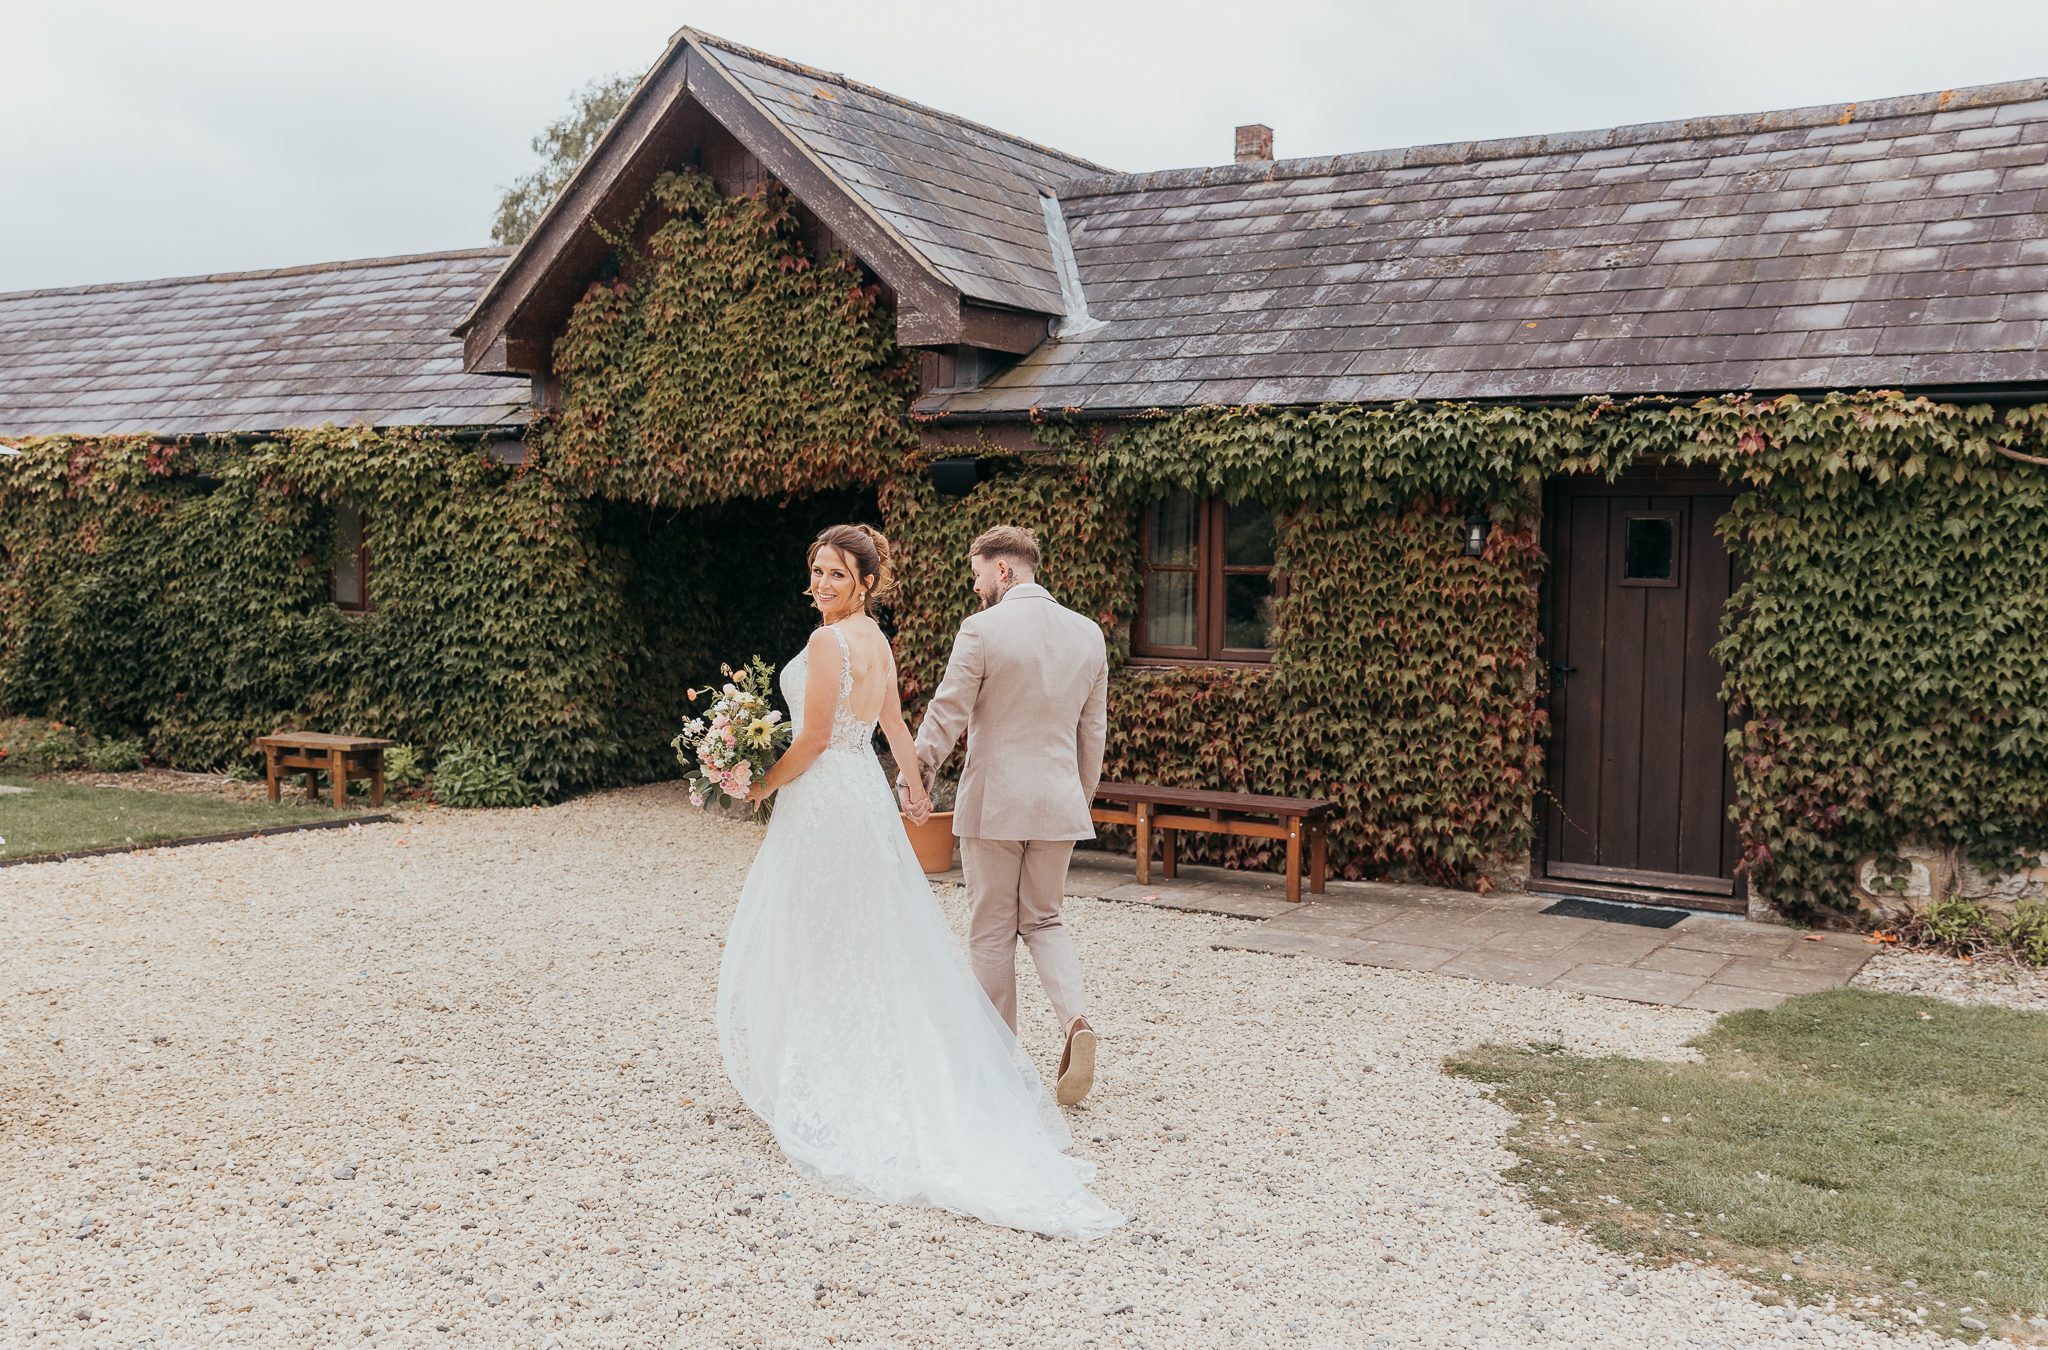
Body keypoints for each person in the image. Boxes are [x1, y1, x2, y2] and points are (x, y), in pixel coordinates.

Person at [717, 523, 1122, 1241]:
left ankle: (909, 1066)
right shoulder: (1076, 634)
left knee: (866, 932)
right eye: (815, 572)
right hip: (937, 801)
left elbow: (855, 731)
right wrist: (915, 788)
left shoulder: (868, 639)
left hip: (854, 799)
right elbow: (898, 727)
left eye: (834, 574)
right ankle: (1058, 1026)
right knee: (930, 930)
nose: (820, 585)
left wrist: (761, 785)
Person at [906, 525, 1109, 1107]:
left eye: (977, 575)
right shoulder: (1088, 634)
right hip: (1060, 802)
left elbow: (948, 712)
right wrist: (1081, 795)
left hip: (994, 803)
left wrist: (913, 775)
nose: (975, 589)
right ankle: (1076, 1021)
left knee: (992, 929)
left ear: (1003, 571)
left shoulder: (982, 630)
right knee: (1045, 921)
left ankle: (996, 1062)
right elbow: (1091, 732)